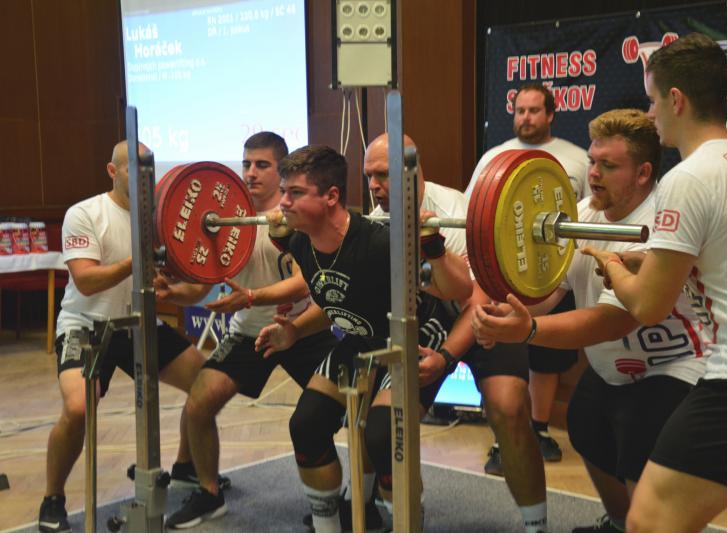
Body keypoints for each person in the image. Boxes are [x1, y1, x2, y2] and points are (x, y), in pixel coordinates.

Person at [579, 33, 727, 532]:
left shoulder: (688, 177)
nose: (651, 114)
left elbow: (648, 308)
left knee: (647, 522)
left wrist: (612, 264)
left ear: (676, 99)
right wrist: (648, 259)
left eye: (653, 100)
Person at [472, 109, 711, 532]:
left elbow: (610, 321)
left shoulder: (661, 225)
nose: (594, 174)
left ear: (643, 173)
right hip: (609, 369)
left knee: (641, 455)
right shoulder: (582, 213)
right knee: (584, 426)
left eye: (609, 166)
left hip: (673, 368)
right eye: (592, 161)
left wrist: (527, 330)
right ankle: (618, 522)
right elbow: (551, 289)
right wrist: (507, 315)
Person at [254, 144, 472, 533]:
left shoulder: (379, 244)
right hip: (361, 340)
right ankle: (331, 526)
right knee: (306, 425)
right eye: (283, 192)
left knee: (383, 438)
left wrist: (434, 247)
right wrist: (294, 331)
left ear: (331, 196)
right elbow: (337, 302)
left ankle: (407, 522)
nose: (282, 202)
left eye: (295, 193)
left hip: (412, 336)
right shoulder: (302, 244)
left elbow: (459, 291)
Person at [363, 133, 549, 533]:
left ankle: (537, 525)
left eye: (383, 174)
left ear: (412, 171)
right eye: (369, 177)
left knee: (509, 407)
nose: (374, 186)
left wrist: (446, 358)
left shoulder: (455, 211)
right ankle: (397, 514)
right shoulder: (375, 222)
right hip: (428, 322)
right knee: (382, 426)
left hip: (484, 315)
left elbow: (475, 300)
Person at [155, 132, 340, 529]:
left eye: (262, 165)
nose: (251, 172)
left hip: (302, 328)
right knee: (199, 403)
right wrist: (173, 293)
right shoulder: (226, 219)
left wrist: (253, 296)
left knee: (334, 414)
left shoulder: (297, 219)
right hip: (249, 332)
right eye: (246, 164)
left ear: (281, 171)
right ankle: (208, 493)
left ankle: (341, 500)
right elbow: (202, 286)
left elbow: (305, 283)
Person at [39, 141, 208, 533]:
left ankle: (185, 466)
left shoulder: (160, 219)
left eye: (148, 169)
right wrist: (138, 260)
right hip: (88, 325)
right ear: (112, 172)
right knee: (78, 409)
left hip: (138, 324)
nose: (143, 177)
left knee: (207, 382)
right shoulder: (85, 213)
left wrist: (185, 284)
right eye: (134, 168)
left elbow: (186, 285)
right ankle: (52, 498)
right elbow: (86, 280)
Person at [466, 83, 589, 468]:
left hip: (553, 275)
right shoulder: (494, 157)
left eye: (534, 110)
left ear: (550, 114)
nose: (526, 118)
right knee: (506, 357)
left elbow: (589, 213)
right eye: (520, 110)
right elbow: (471, 213)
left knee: (545, 357)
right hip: (503, 277)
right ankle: (504, 437)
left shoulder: (577, 159)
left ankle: (538, 429)